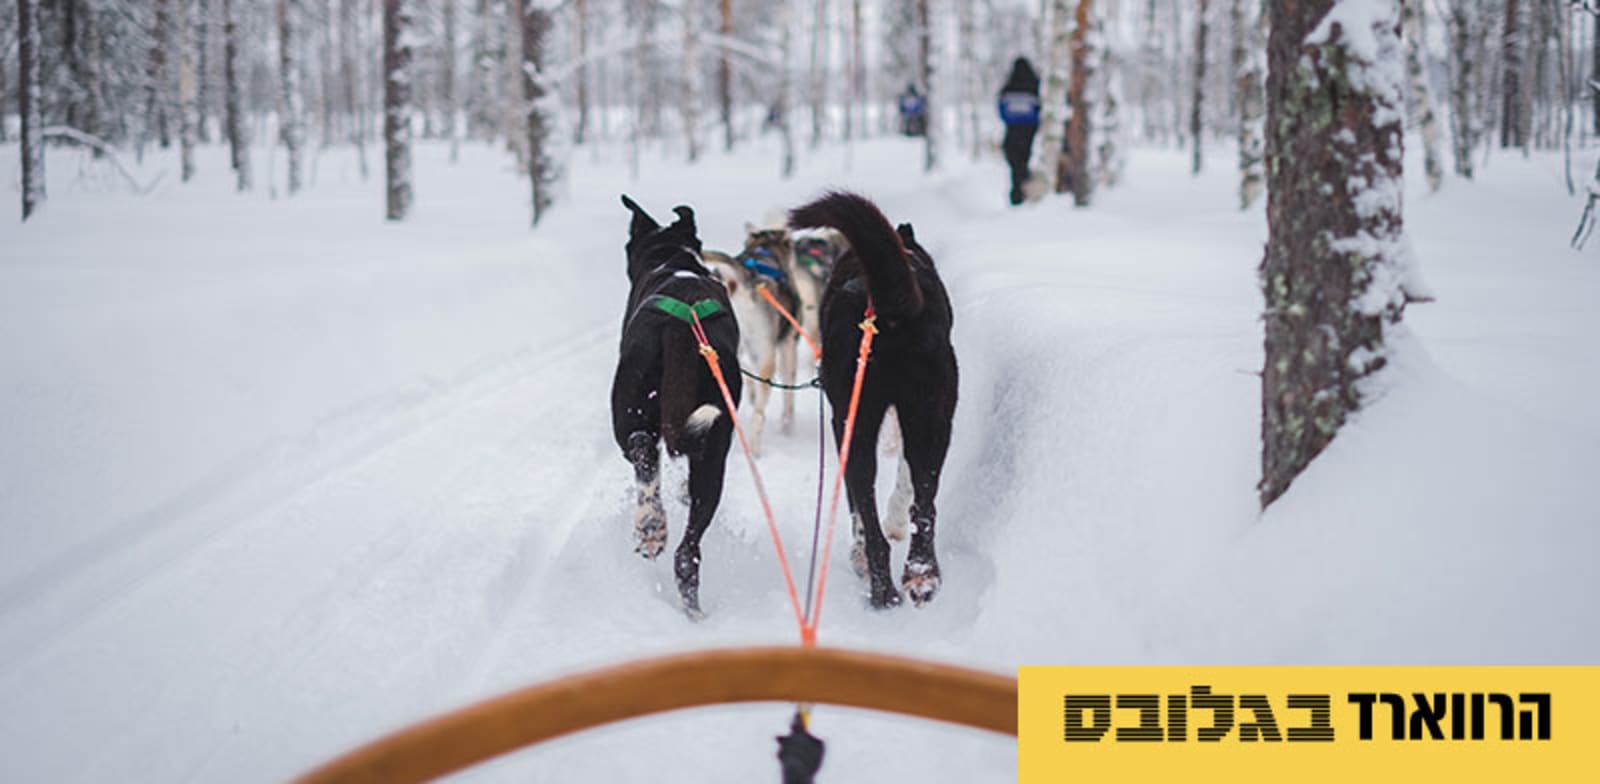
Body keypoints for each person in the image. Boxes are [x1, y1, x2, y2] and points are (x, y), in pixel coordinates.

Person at [997, 57, 1041, 206]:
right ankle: (1025, 192)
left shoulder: (1008, 88)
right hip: (1030, 133)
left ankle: (1017, 194)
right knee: (1025, 162)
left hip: (1012, 133)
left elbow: (1001, 109)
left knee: (1016, 166)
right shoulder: (1035, 86)